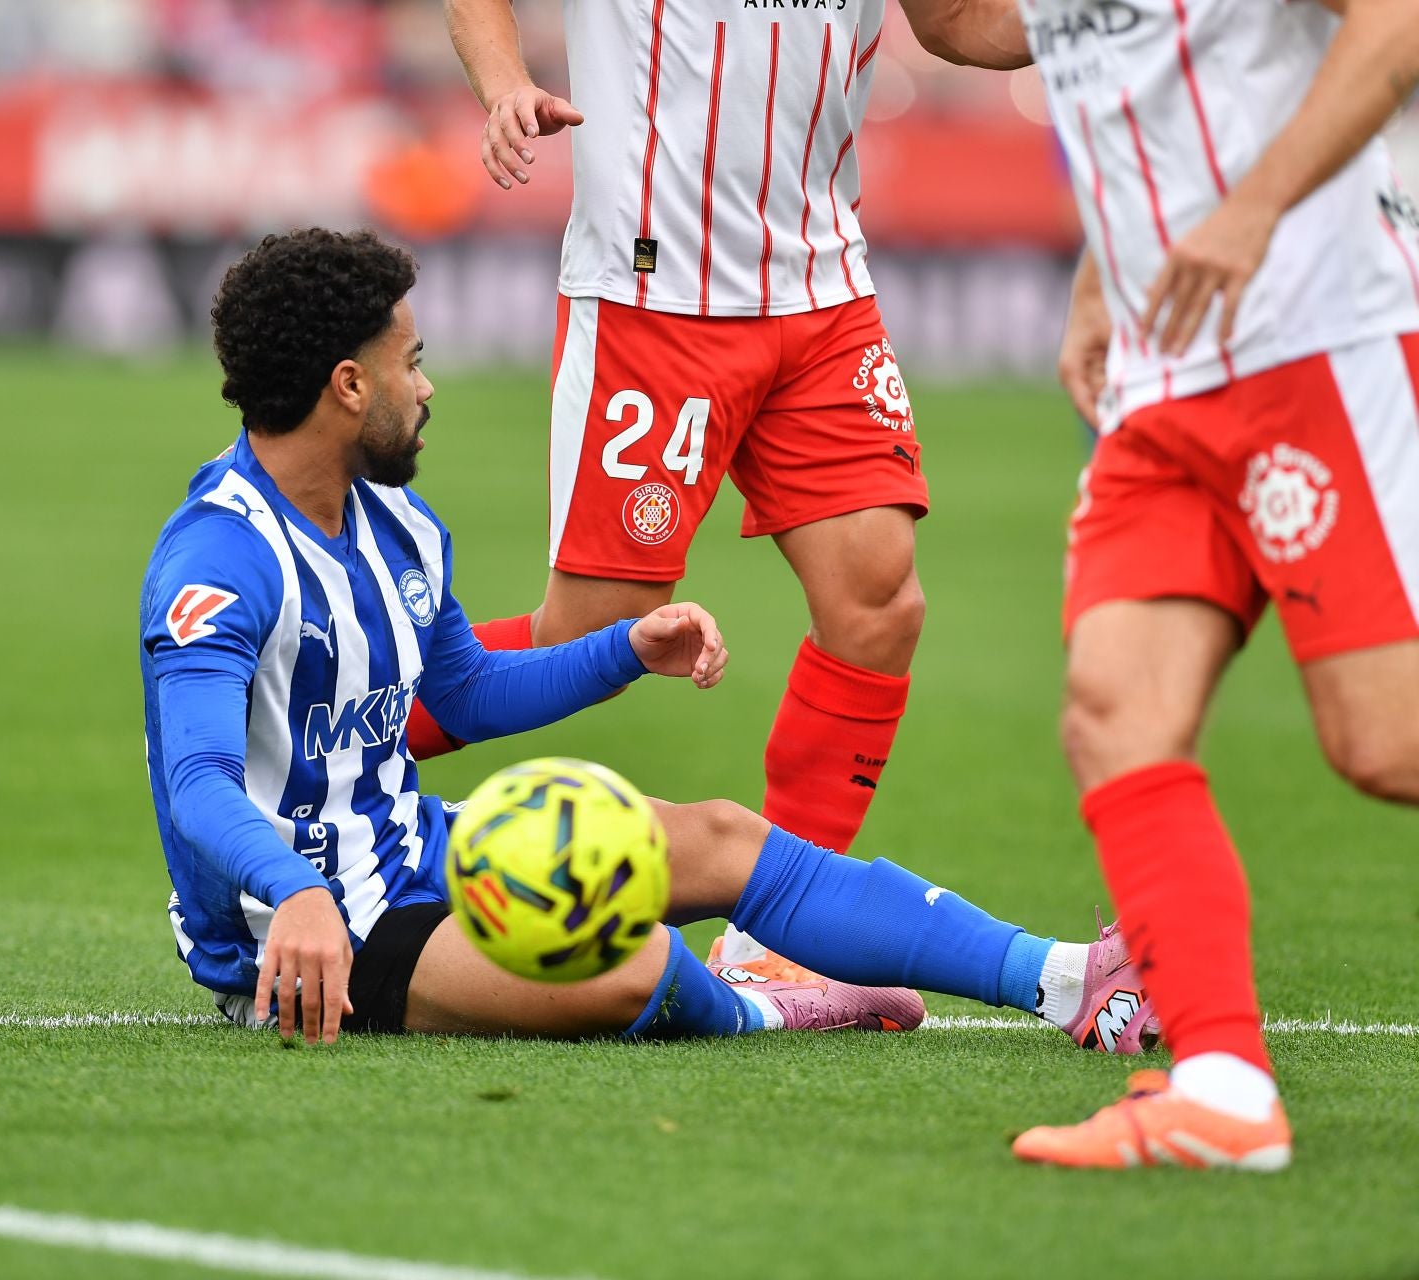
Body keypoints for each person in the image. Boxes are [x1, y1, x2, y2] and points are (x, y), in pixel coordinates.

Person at [141, 228, 1153, 1053]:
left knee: (718, 832)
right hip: (301, 930)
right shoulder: (217, 559)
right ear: (349, 386)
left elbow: (470, 689)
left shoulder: (398, 523)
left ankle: (1069, 979)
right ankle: (773, 1006)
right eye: (411, 362)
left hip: (412, 849)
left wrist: (625, 647)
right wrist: (298, 892)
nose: (428, 387)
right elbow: (196, 785)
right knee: (626, 964)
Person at [417, 0, 1031, 976]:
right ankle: (317, 745)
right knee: (593, 629)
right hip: (653, 294)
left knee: (878, 599)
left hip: (821, 287)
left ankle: (786, 938)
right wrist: (502, 85)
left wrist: (1107, 20)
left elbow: (960, 22)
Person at [1003, 0, 1419, 1170]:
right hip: (1161, 378)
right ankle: (1226, 1088)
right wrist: (1103, 266)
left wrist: (1250, 209)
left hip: (1318, 341)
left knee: (1387, 744)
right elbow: (1011, 39)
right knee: (1114, 709)